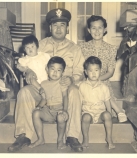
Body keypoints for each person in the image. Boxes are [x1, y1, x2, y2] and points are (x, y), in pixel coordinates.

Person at [8, 8, 85, 152]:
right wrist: (29, 70)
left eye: (62, 25)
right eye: (55, 25)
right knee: (24, 92)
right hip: (42, 88)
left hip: (63, 89)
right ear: (49, 27)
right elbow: (25, 61)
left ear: (67, 28)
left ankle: (72, 136)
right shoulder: (40, 45)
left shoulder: (75, 49)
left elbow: (80, 72)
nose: (58, 28)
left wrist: (72, 79)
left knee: (74, 91)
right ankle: (24, 134)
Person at [79, 15, 127, 122]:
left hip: (103, 80)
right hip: (87, 80)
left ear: (105, 29)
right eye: (93, 28)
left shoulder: (111, 49)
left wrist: (98, 80)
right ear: (88, 30)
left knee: (103, 88)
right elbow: (81, 69)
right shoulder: (82, 47)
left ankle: (118, 111)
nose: (97, 31)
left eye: (100, 28)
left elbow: (110, 72)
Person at [29, 56, 69, 150]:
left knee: (60, 117)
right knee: (36, 113)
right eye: (52, 69)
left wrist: (65, 110)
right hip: (48, 110)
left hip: (59, 110)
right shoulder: (43, 84)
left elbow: (65, 97)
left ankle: (60, 140)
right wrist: (39, 107)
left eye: (59, 70)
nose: (55, 72)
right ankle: (40, 138)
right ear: (47, 69)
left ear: (63, 72)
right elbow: (44, 100)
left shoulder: (62, 83)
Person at [79, 56, 115, 149]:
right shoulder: (82, 86)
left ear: (100, 71)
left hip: (100, 115)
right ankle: (86, 139)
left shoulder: (104, 87)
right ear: (86, 72)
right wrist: (79, 115)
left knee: (107, 115)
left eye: (96, 70)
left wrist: (110, 114)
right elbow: (79, 102)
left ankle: (109, 138)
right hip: (88, 113)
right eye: (90, 71)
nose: (94, 73)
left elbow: (107, 102)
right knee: (85, 117)